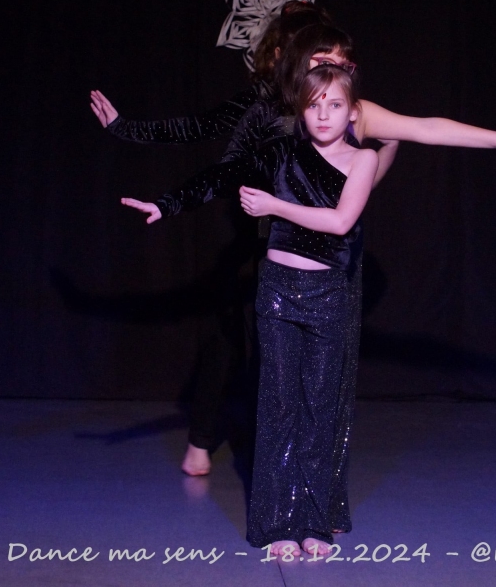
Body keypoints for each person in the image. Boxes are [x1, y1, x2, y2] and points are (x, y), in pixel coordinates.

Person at [122, 63, 378, 557]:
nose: (324, 114)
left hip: (327, 294)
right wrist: (168, 204)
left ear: (352, 112)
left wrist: (275, 207)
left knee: (318, 407)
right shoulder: (281, 152)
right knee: (278, 405)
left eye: (335, 104)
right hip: (278, 290)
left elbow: (341, 221)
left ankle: (313, 521)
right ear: (300, 110)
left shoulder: (362, 159)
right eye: (314, 104)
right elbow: (221, 175)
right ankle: (277, 523)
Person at [89, 2, 344, 478]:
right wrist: (126, 131)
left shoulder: (339, 103)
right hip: (259, 243)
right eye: (312, 51)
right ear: (285, 54)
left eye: (330, 54)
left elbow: (392, 136)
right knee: (228, 339)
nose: (324, 62)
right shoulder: (263, 107)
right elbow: (198, 132)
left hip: (318, 247)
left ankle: (293, 458)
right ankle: (203, 439)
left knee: (301, 355)